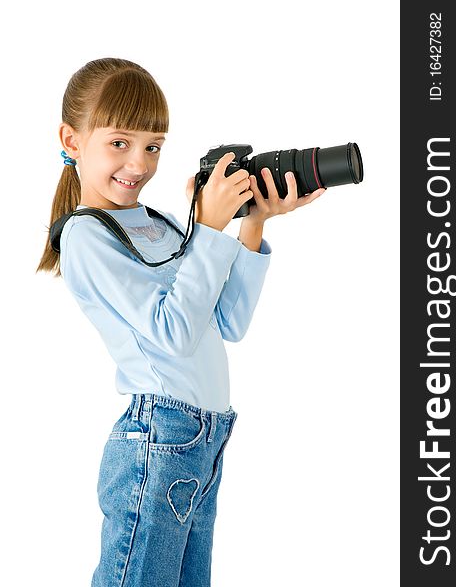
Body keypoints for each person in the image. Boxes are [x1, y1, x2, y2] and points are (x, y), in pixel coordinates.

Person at [36, 57, 325, 587]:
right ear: (72, 141)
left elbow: (227, 322)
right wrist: (210, 229)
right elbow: (172, 332)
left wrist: (251, 223)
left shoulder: (163, 224)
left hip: (204, 437)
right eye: (119, 143)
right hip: (159, 436)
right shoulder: (85, 236)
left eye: (153, 146)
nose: (139, 164)